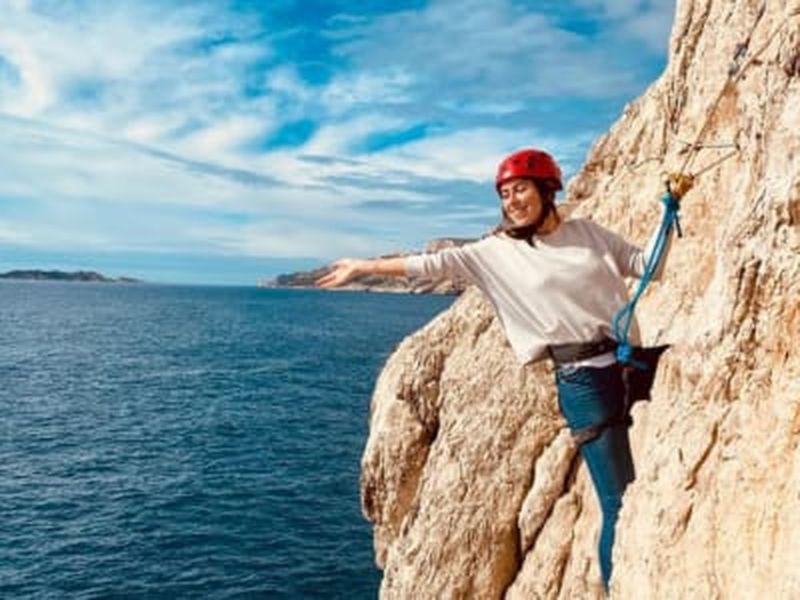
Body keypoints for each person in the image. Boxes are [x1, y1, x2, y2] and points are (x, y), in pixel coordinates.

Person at [315, 148, 679, 593]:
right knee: (617, 500)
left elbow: (649, 267)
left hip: (627, 360)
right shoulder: (496, 253)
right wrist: (362, 267)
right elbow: (429, 264)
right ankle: (618, 588)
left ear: (548, 191)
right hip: (584, 382)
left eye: (520, 189)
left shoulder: (589, 234)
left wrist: (670, 212)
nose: (512, 201)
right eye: (505, 194)